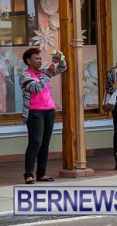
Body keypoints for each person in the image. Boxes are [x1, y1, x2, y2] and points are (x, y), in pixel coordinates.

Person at [20, 48, 67, 184]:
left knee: (45, 143)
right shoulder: (24, 75)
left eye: (40, 59)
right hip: (35, 112)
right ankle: (28, 174)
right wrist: (49, 73)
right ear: (28, 61)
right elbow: (36, 88)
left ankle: (41, 173)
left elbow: (62, 68)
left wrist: (61, 59)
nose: (40, 61)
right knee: (35, 142)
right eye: (36, 59)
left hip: (49, 111)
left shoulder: (43, 73)